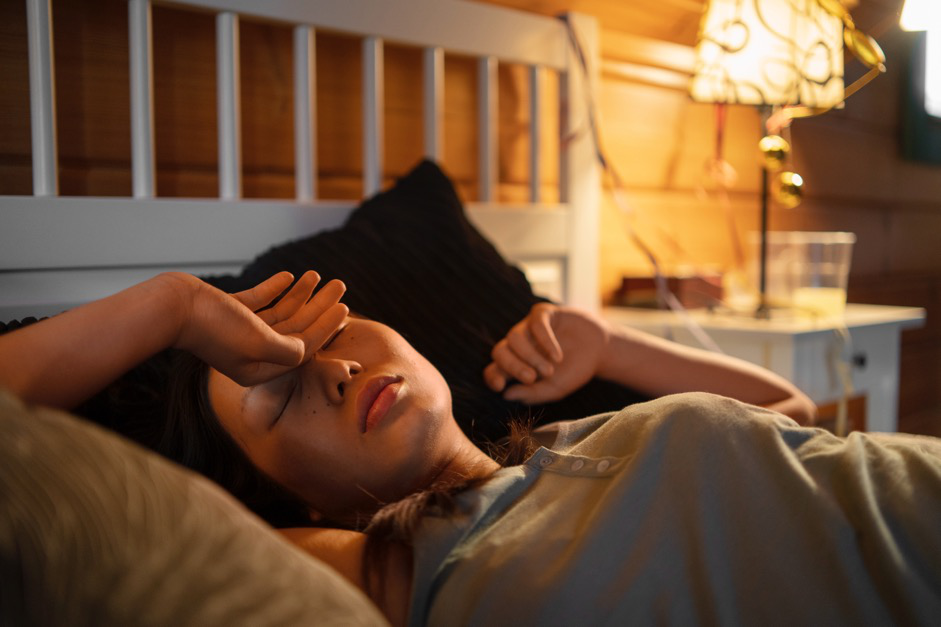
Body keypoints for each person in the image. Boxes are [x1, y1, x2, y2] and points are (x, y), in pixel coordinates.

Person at [4, 272, 938, 625]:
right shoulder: (358, 566)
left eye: (333, 335)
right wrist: (167, 306)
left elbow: (794, 421)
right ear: (292, 499)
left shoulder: (575, 440)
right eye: (276, 391)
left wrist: (610, 345)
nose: (330, 372)